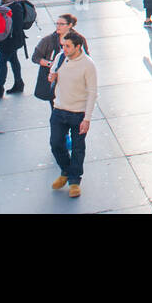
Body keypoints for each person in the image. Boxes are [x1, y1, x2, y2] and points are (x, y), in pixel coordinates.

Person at [48, 30, 97, 198]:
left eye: (68, 46)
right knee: (56, 144)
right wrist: (52, 75)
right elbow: (53, 72)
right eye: (63, 46)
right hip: (59, 110)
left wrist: (87, 119)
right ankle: (67, 171)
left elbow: (92, 92)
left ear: (78, 47)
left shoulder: (88, 65)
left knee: (77, 148)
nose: (64, 49)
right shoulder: (60, 58)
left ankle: (74, 180)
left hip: (78, 113)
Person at [0, 0, 29, 98]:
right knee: (13, 60)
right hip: (11, 40)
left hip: (10, 41)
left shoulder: (15, 7)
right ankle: (19, 83)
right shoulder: (7, 4)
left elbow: (16, 27)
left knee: (1, 62)